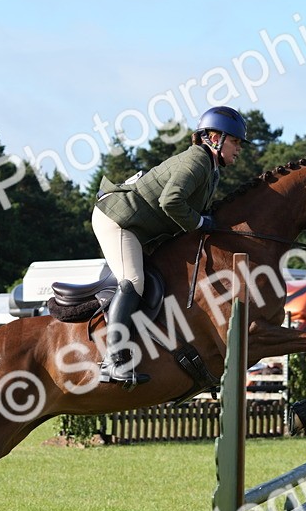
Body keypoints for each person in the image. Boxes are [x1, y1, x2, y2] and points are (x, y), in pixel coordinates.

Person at [91, 105, 248, 385]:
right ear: (214, 138)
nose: (239, 149)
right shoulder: (197, 162)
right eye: (235, 141)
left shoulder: (210, 170)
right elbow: (170, 201)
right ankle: (113, 360)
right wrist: (200, 224)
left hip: (138, 226)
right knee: (134, 281)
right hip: (117, 220)